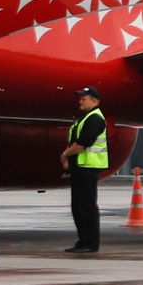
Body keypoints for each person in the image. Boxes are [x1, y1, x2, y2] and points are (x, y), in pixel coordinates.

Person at [61, 86, 109, 254]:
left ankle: (90, 243)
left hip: (88, 168)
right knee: (78, 207)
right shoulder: (86, 118)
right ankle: (83, 241)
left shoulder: (95, 118)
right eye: (80, 97)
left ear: (95, 101)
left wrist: (65, 154)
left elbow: (83, 142)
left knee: (86, 207)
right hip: (81, 167)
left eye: (84, 98)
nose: (80, 100)